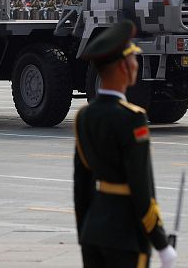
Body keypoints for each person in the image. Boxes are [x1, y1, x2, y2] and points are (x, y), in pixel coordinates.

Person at [74, 20, 176, 268]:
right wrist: (161, 244)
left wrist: (86, 232)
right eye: (132, 58)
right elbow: (142, 190)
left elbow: (81, 189)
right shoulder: (132, 118)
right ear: (122, 67)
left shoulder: (84, 116)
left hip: (93, 233)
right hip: (126, 236)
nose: (136, 64)